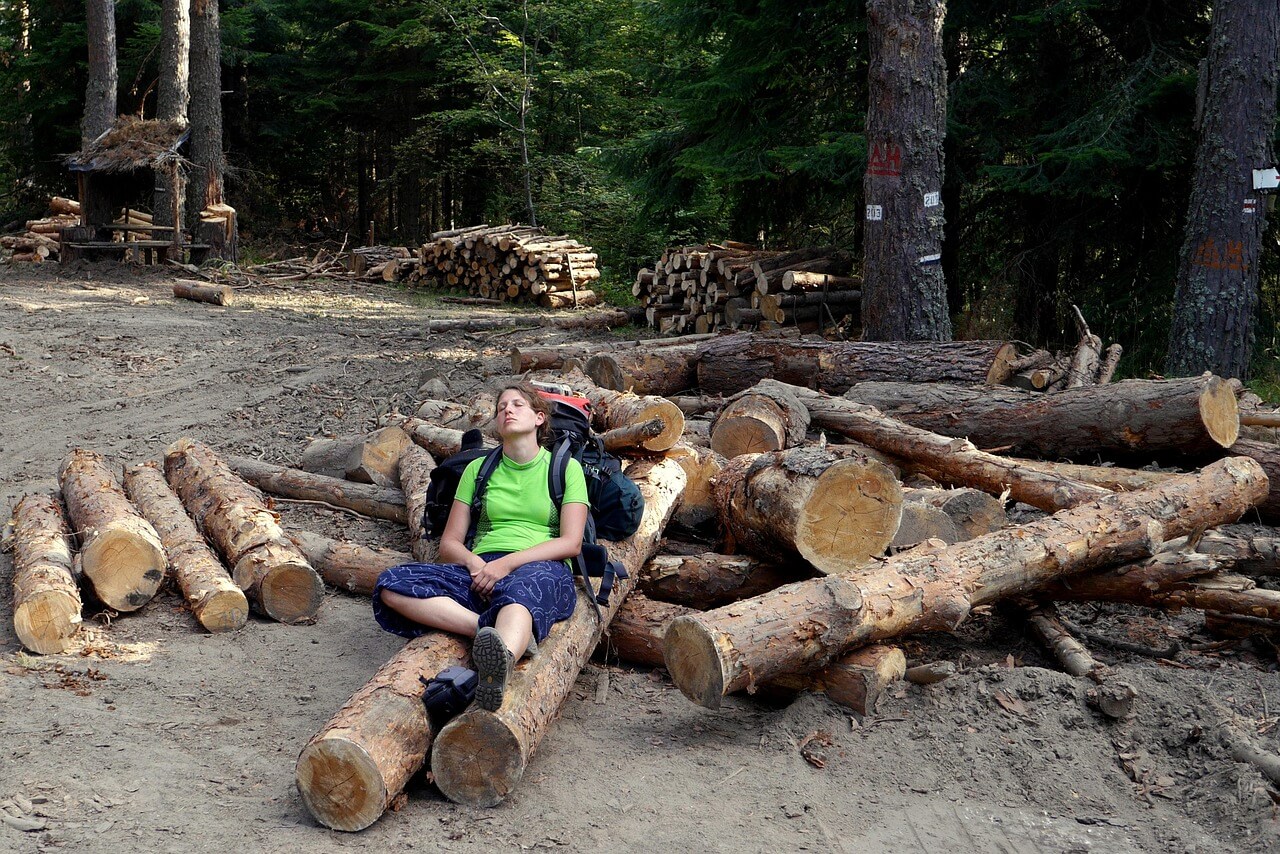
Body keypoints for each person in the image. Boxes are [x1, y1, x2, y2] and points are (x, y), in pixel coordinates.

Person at [373, 383, 588, 711]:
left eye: (517, 404)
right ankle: (486, 632)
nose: (507, 410)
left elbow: (571, 543)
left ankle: (500, 663)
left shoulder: (565, 469)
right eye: (501, 407)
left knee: (519, 594)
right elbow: (450, 543)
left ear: (539, 418)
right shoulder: (478, 470)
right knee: (391, 584)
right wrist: (477, 565)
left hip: (540, 566)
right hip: (482, 567)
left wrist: (508, 564)